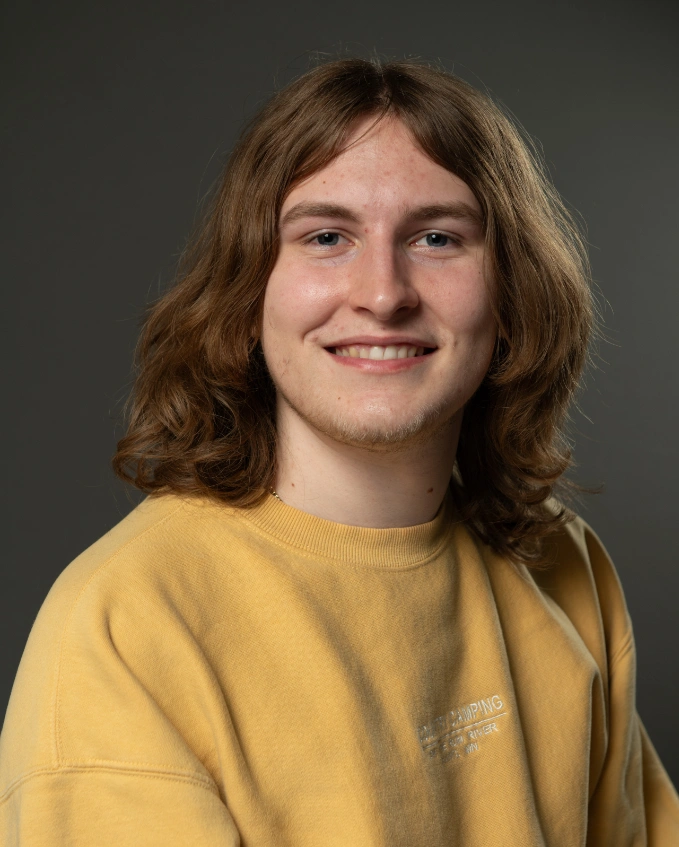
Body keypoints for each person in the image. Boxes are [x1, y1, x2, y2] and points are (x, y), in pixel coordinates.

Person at [1, 57, 677, 846]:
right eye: (326, 236)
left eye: (435, 236)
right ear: (249, 286)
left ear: (511, 288)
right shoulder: (127, 626)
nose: (382, 293)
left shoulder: (561, 560)